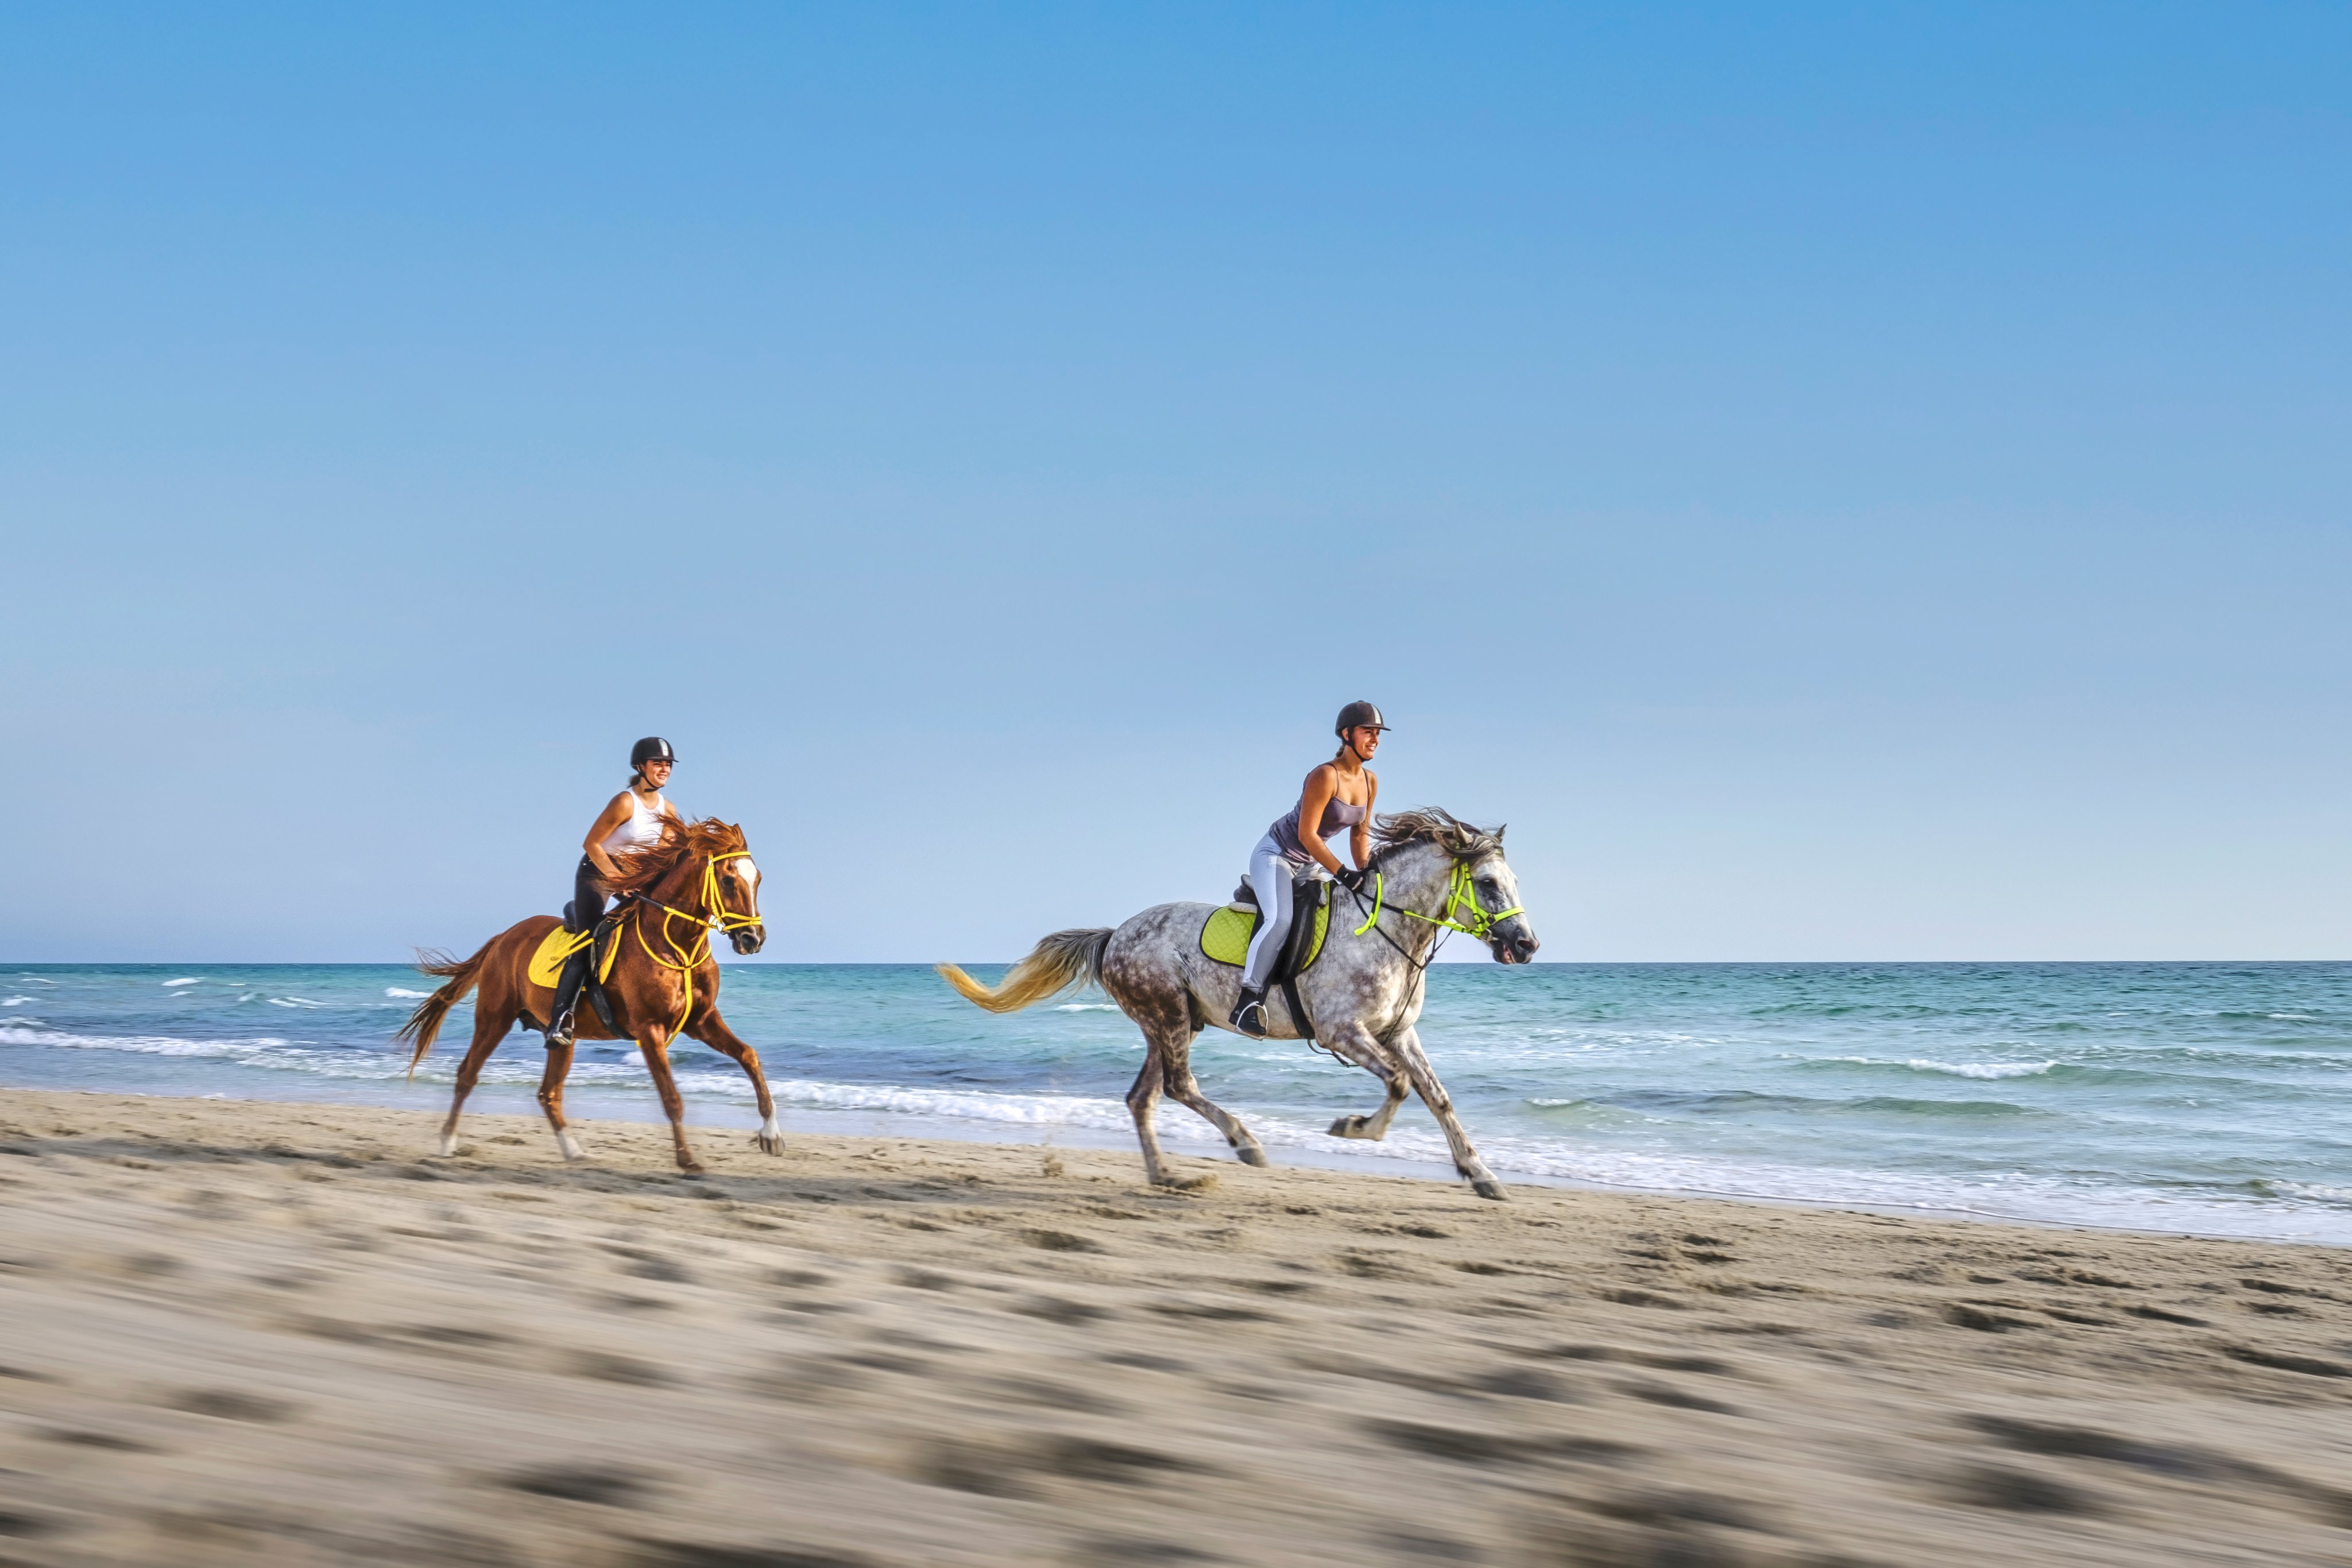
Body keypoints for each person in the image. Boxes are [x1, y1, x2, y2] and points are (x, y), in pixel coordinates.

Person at [1231, 702, 1385, 1037]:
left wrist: (1369, 874)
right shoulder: (1325, 775)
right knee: (1280, 919)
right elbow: (1306, 835)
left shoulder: (1370, 781)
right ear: (1347, 735)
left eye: (1377, 734)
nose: (1374, 739)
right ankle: (1247, 1001)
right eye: (1367, 732)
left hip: (1310, 864)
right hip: (1277, 855)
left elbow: (1360, 835)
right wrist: (1344, 874)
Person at [547, 737, 682, 1047]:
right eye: (657, 764)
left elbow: (671, 849)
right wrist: (619, 880)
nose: (664, 770)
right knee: (587, 942)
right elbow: (592, 844)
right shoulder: (625, 802)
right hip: (598, 873)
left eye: (667, 765)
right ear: (641, 767)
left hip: (633, 878)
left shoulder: (668, 808)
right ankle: (559, 1020)